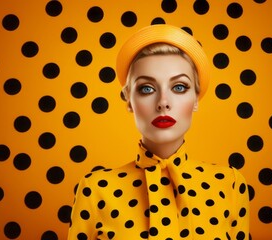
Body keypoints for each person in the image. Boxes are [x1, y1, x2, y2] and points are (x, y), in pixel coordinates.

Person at [68, 24, 249, 240]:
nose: (163, 102)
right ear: (129, 101)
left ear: (196, 99)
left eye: (179, 87)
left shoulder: (230, 184)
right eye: (147, 88)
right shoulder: (95, 189)